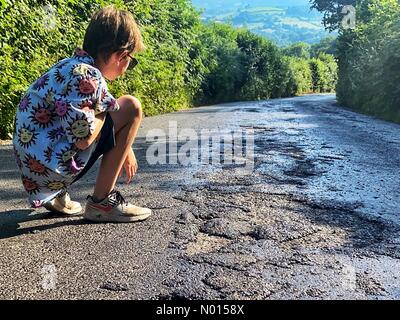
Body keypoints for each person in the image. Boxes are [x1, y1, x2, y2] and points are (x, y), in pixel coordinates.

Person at [12, 6, 152, 223]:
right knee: (132, 106)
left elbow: (84, 116)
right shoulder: (89, 76)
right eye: (131, 62)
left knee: (112, 110)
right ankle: (102, 203)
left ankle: (57, 197)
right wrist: (107, 109)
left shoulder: (71, 66)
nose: (127, 67)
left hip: (34, 170)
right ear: (120, 56)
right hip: (51, 169)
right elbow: (84, 138)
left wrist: (126, 147)